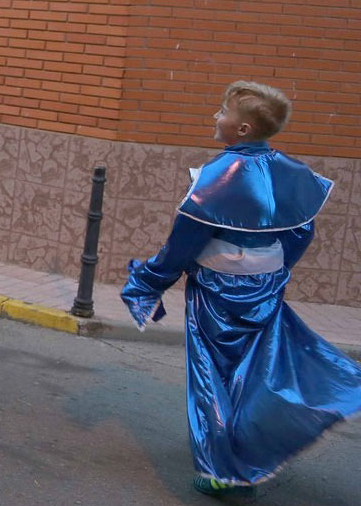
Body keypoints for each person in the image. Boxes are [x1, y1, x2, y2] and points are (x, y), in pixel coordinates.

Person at [121, 81, 359, 499]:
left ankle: (224, 473)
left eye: (222, 112)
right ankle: (246, 448)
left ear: (243, 128)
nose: (215, 117)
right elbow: (301, 231)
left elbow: (183, 242)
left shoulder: (218, 176)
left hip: (215, 290)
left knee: (212, 372)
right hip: (265, 286)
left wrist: (149, 280)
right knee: (252, 370)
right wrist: (271, 272)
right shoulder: (290, 170)